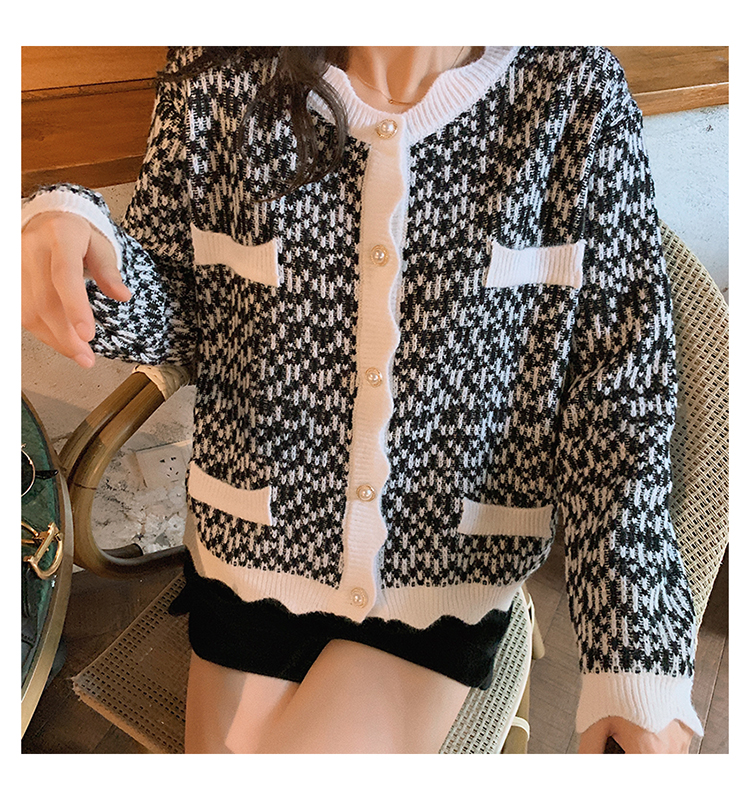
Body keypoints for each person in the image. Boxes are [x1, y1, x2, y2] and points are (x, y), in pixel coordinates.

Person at [21, 46, 703, 754]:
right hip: (251, 549)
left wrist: (637, 658)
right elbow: (181, 312)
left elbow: (617, 397)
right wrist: (74, 232)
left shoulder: (573, 87)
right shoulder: (221, 63)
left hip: (443, 574)